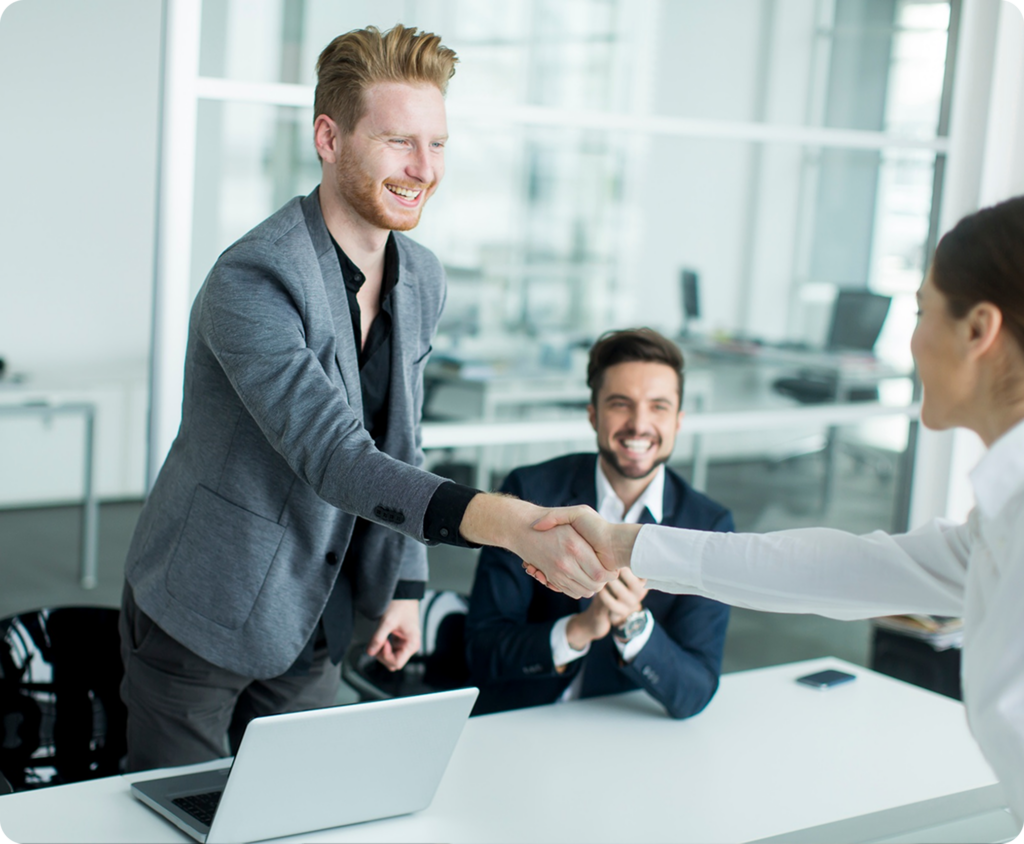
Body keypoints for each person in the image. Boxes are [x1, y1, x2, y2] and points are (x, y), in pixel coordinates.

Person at [119, 24, 611, 773]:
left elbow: (400, 440)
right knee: (178, 813)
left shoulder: (423, 276)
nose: (423, 169)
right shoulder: (253, 280)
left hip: (317, 609)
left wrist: (408, 584)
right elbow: (337, 458)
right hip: (204, 606)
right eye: (397, 142)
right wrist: (506, 524)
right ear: (329, 136)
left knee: (300, 805)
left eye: (437, 143)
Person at [530, 196, 1024, 829]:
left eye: (923, 311)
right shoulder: (999, 522)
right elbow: (833, 570)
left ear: (979, 330)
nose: (912, 338)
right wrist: (626, 544)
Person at [465, 328, 733, 718]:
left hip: (623, 728)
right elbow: (481, 650)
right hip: (521, 721)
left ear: (678, 421)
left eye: (658, 406)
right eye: (620, 404)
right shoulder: (528, 491)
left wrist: (634, 626)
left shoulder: (708, 525)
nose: (639, 425)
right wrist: (579, 629)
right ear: (593, 414)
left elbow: (694, 693)